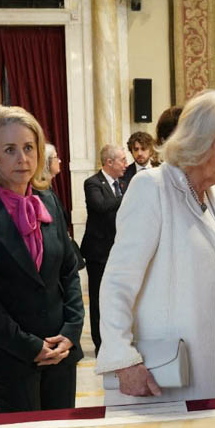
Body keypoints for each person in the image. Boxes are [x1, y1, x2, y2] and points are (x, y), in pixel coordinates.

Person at [95, 89, 215, 403]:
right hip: (164, 374)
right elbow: (117, 283)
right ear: (196, 139)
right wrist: (124, 360)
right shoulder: (152, 188)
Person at [0, 106, 84, 414]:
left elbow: (69, 272)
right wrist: (29, 346)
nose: (23, 158)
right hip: (10, 355)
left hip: (60, 352)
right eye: (10, 149)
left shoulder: (47, 201)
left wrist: (71, 332)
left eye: (28, 147)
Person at [81, 143, 128, 354]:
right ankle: (100, 343)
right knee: (99, 298)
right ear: (109, 162)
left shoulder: (123, 184)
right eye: (122, 160)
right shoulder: (93, 183)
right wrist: (126, 198)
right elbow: (100, 206)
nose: (126, 164)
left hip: (118, 251)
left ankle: (116, 338)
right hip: (98, 252)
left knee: (117, 298)